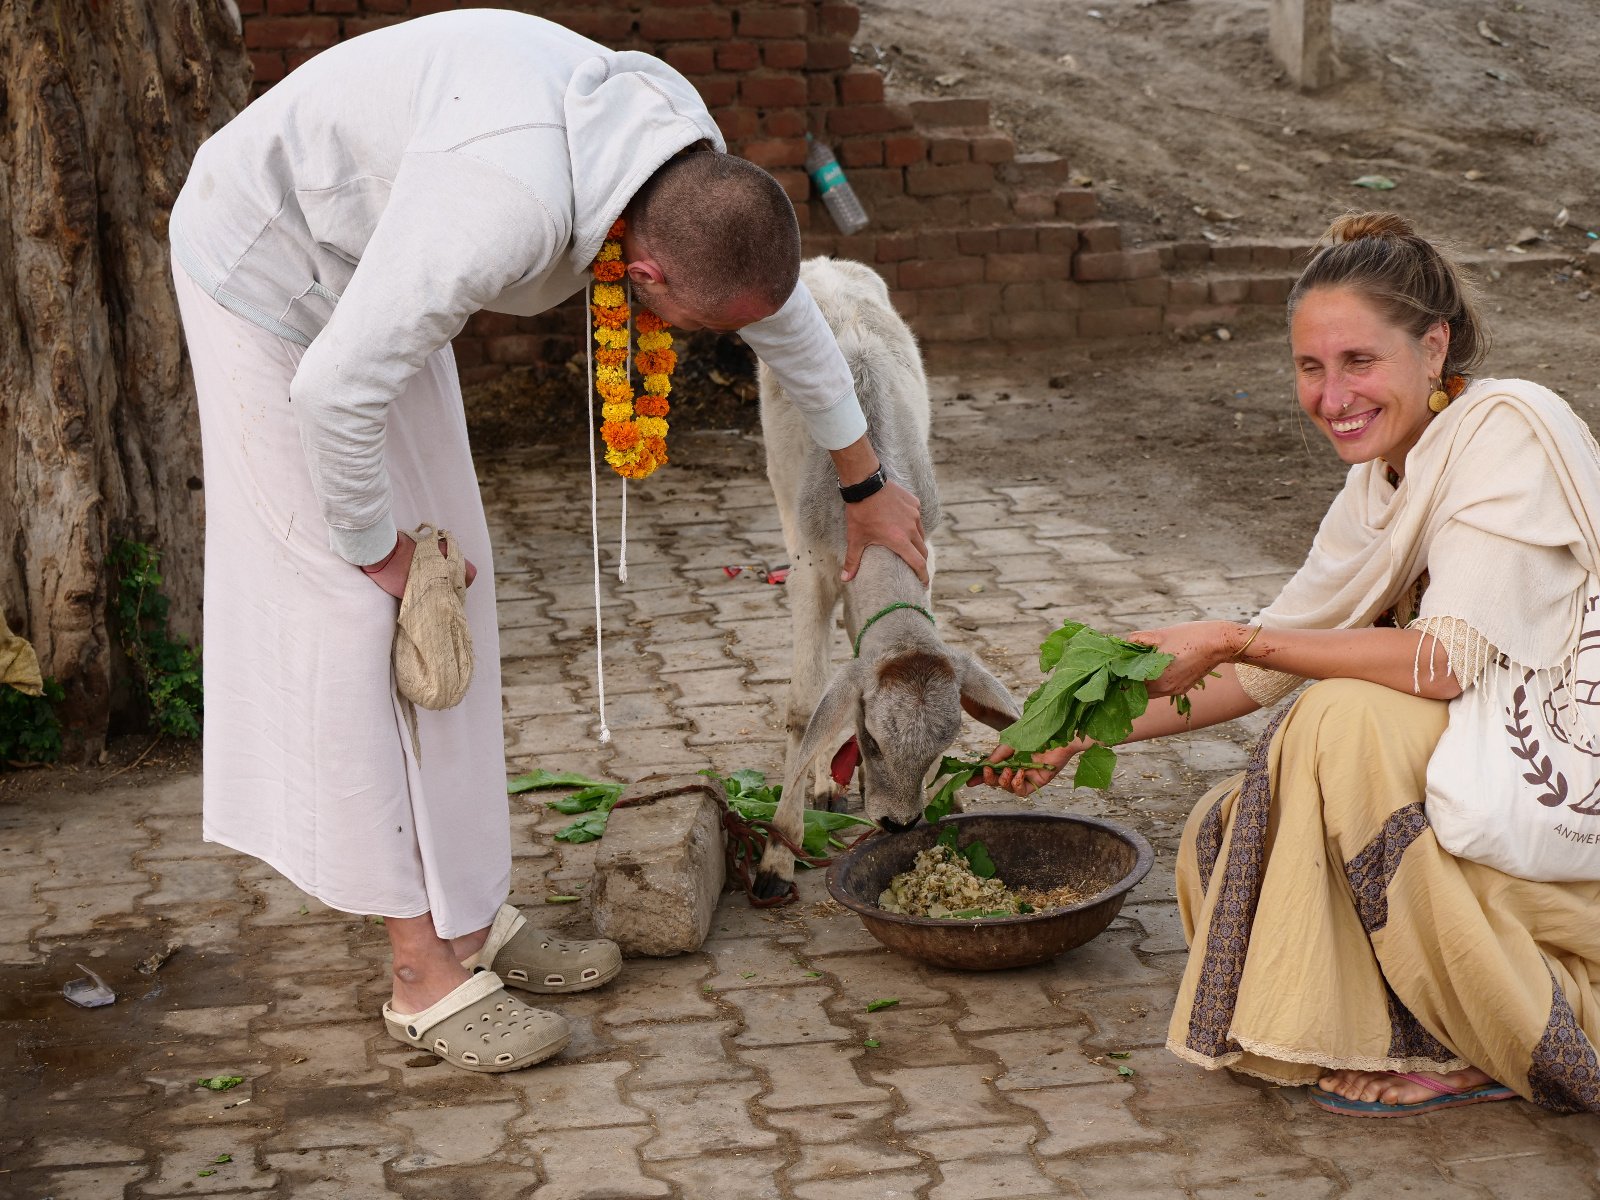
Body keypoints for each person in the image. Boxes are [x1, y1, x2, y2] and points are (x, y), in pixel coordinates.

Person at [168, 9, 928, 1074]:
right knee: (362, 614)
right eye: (695, 328)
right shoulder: (501, 212)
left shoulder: (688, 170)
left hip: (379, 266)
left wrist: (867, 484)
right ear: (646, 279)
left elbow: (778, 311)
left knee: (458, 589)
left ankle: (472, 917)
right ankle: (420, 975)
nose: (697, 346)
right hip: (266, 268)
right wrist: (377, 549)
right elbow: (334, 390)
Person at [983, 211, 1600, 1116]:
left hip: (1563, 770)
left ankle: (1480, 1034)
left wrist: (1232, 636)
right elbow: (1258, 671)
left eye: (1358, 361)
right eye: (1311, 366)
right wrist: (1074, 734)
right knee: (1231, 828)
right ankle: (1391, 1020)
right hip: (1480, 764)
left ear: (1433, 348)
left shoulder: (1505, 431)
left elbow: (1444, 663)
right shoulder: (1377, 484)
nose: (1331, 394)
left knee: (1339, 722)